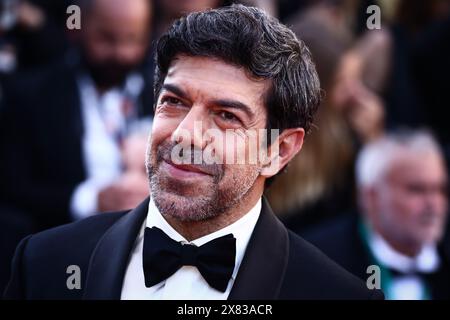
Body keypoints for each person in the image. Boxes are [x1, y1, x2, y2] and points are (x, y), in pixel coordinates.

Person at [4, 5, 383, 300]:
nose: (186, 135)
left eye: (225, 116)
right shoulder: (43, 264)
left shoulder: (334, 293)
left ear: (278, 150)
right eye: (174, 102)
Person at [0, 0, 154, 231]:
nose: (120, 52)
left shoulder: (161, 93)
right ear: (77, 27)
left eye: (133, 39)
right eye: (106, 38)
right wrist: (91, 200)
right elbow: (12, 189)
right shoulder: (31, 96)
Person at [304, 130, 450, 299]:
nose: (433, 204)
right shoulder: (320, 261)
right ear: (371, 197)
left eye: (441, 190)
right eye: (416, 189)